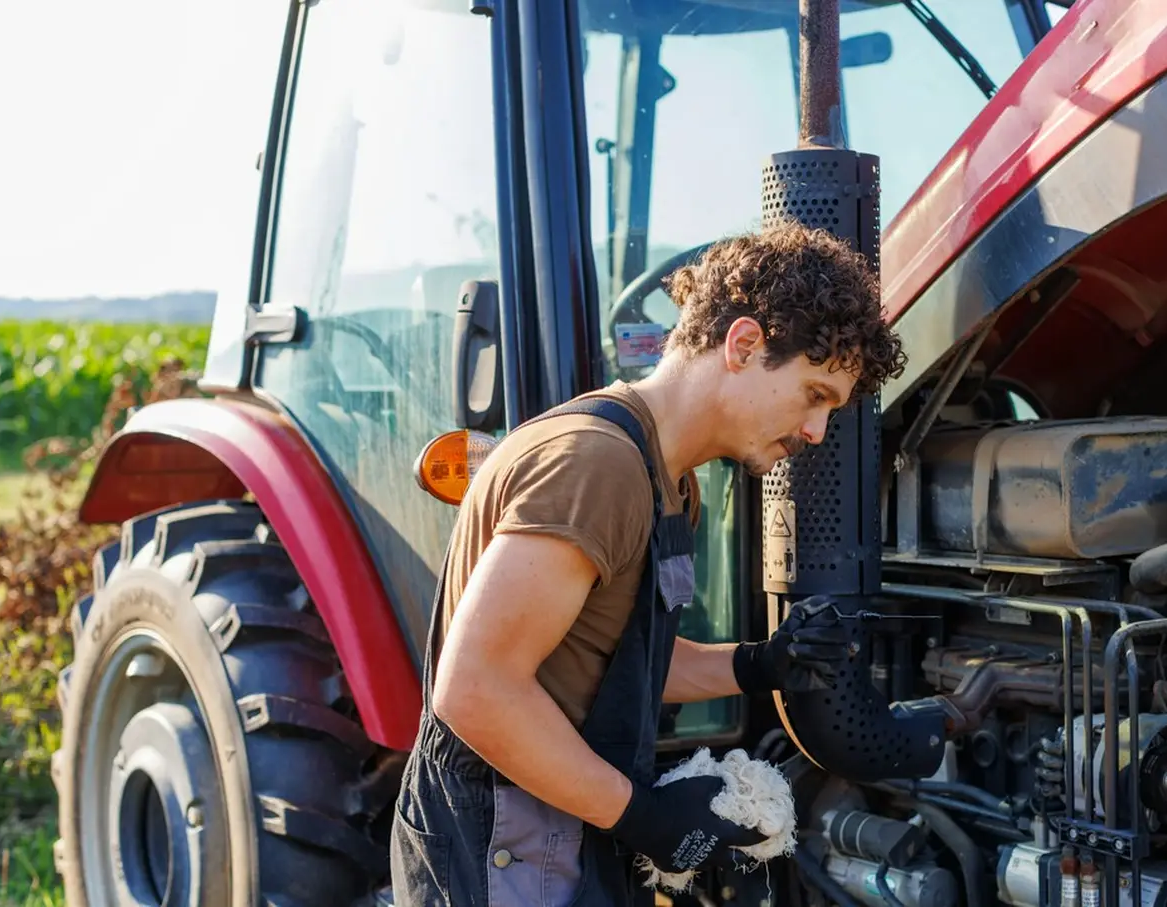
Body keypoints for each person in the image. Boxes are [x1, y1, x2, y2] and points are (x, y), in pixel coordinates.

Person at [389, 220, 908, 906]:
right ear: (744, 344)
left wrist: (758, 663)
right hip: (505, 830)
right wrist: (642, 817)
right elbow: (476, 688)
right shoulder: (597, 464)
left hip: (561, 809)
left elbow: (618, 661)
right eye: (816, 395)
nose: (815, 432)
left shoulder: (668, 480)